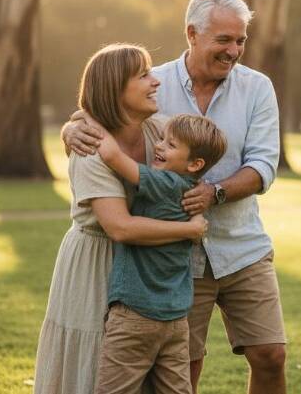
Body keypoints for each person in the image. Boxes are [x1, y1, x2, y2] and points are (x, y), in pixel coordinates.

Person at [64, 0, 285, 394]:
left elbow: (263, 165)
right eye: (224, 40)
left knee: (271, 355)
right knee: (183, 369)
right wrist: (72, 127)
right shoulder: (153, 83)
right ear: (192, 34)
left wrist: (215, 192)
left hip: (242, 244)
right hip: (174, 258)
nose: (234, 51)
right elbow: (104, 110)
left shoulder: (257, 88)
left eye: (240, 40)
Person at [34, 44, 208, 394]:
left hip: (148, 269)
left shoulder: (161, 132)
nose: (156, 81)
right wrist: (189, 229)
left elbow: (200, 157)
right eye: (143, 75)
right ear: (115, 89)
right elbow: (119, 227)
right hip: (96, 262)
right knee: (99, 363)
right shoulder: (89, 149)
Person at [94, 114, 227, 394]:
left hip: (135, 312)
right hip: (176, 319)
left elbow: (112, 156)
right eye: (162, 139)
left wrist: (88, 121)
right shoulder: (193, 192)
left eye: (171, 144)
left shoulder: (166, 183)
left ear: (195, 164)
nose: (159, 146)